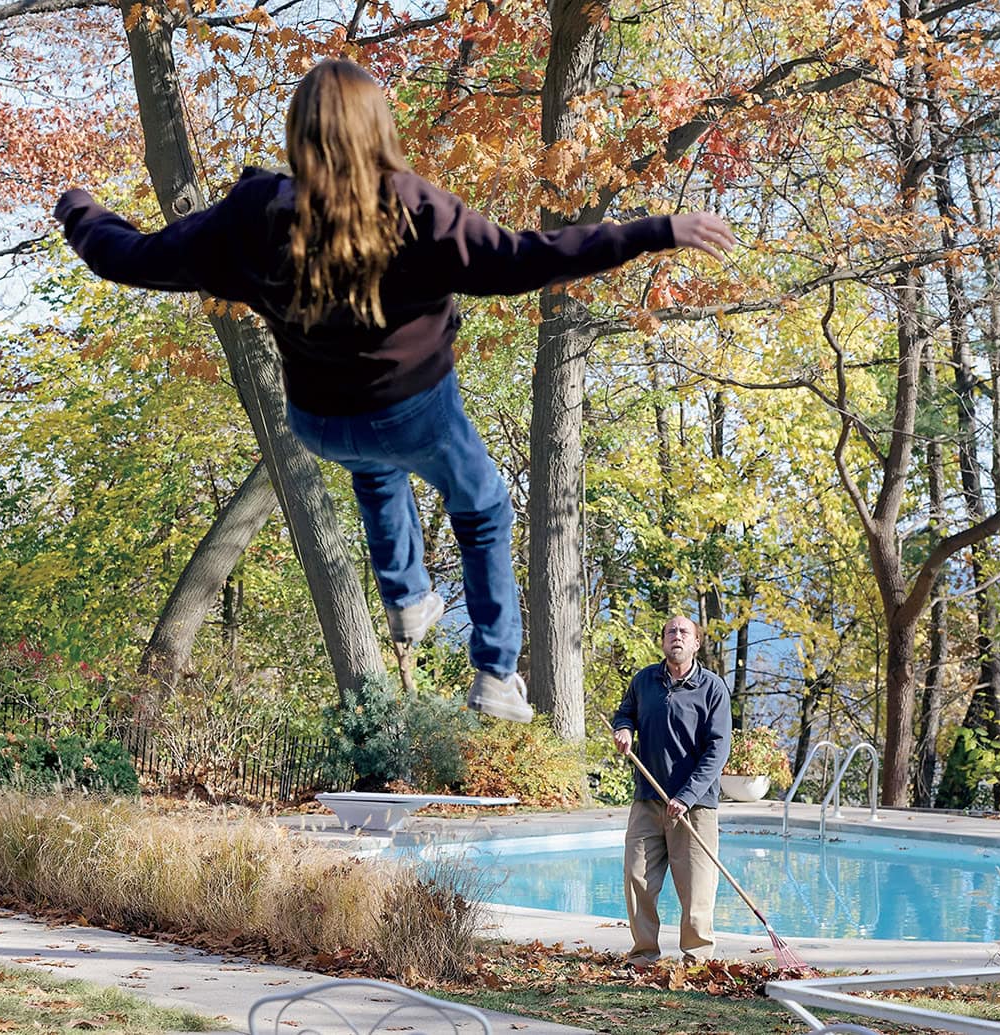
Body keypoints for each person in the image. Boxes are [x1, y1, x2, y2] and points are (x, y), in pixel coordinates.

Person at [53, 59, 736, 723]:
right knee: (484, 506)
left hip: (320, 419)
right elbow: (526, 258)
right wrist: (655, 230)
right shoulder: (413, 209)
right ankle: (496, 672)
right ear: (378, 129)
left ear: (299, 134)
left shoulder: (253, 215)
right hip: (415, 411)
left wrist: (81, 209)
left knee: (373, 470)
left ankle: (408, 599)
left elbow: (132, 258)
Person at [611, 614, 731, 964]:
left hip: (695, 806)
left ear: (696, 643)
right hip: (648, 800)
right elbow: (626, 712)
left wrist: (686, 796)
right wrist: (624, 729)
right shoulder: (644, 680)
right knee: (637, 878)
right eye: (670, 631)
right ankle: (644, 955)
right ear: (663, 641)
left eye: (684, 632)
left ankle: (696, 959)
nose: (676, 636)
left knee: (696, 889)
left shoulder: (712, 688)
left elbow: (717, 750)